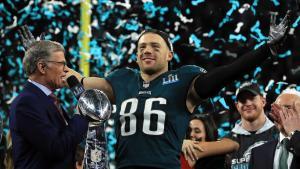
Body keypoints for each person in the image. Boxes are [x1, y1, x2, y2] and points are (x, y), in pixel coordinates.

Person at [20, 11, 290, 169]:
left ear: (170, 54)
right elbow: (75, 79)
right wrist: (37, 58)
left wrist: (265, 49)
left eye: (155, 46)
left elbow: (227, 72)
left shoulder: (185, 80)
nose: (146, 50)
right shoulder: (121, 79)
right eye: (141, 48)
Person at [9, 40, 89, 169]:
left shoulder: (45, 99)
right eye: (62, 64)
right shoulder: (26, 103)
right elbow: (56, 148)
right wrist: (82, 113)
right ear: (42, 67)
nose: (67, 70)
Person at [224, 82, 279, 169]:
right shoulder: (226, 142)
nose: (248, 103)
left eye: (252, 98)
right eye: (243, 100)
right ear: (237, 106)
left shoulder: (281, 134)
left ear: (263, 101)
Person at [249, 88, 300, 169]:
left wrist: (294, 133)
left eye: (288, 107)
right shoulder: (258, 153)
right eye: (277, 108)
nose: (280, 112)